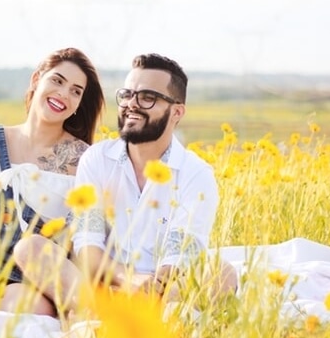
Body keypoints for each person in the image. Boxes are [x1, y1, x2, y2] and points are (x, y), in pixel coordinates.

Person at [13, 53, 237, 312]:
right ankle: (107, 317)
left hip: (164, 293)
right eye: (127, 95)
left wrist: (150, 289)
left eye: (147, 97)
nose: (132, 104)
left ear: (176, 112)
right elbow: (87, 245)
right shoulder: (96, 160)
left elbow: (182, 254)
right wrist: (126, 280)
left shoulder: (195, 174)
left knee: (221, 272)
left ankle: (143, 322)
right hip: (103, 288)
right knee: (30, 248)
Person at [0, 47, 105, 316]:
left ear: (79, 103)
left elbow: (82, 236)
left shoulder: (83, 159)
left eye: (75, 91)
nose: (63, 94)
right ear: (37, 79)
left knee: (21, 309)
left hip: (32, 272)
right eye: (57, 80)